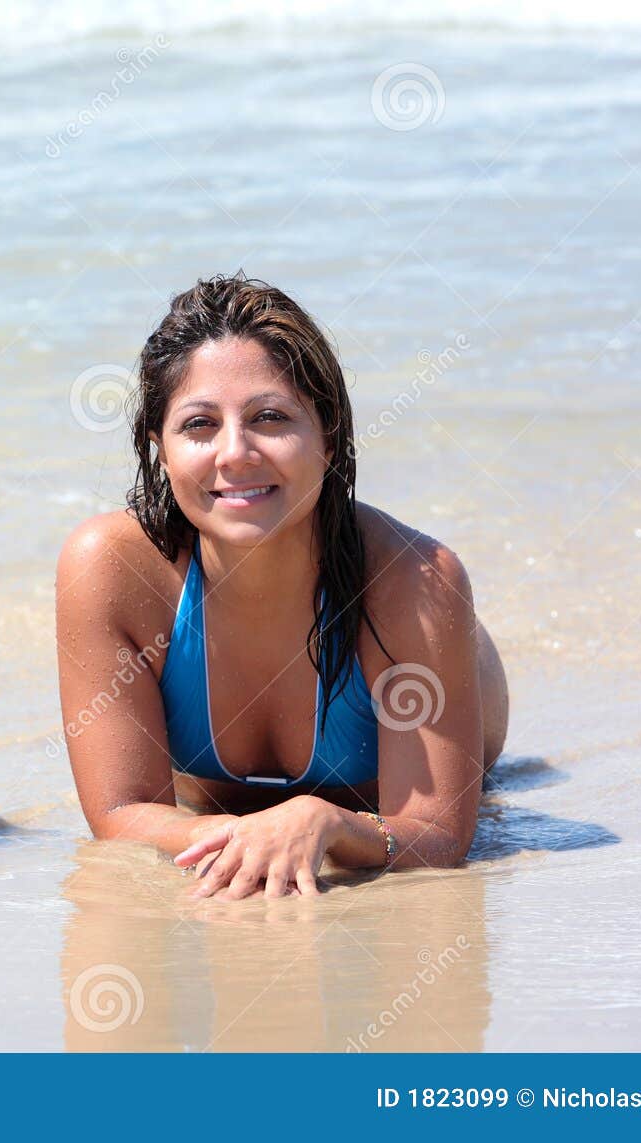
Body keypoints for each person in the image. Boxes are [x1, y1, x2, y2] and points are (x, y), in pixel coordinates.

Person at [55, 273, 508, 899]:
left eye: (270, 418)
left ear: (329, 435)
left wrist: (323, 822)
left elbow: (438, 834)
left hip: (441, 666)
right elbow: (119, 811)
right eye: (199, 425)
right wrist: (254, 839)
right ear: (158, 447)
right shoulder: (113, 568)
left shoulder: (415, 582)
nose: (235, 453)